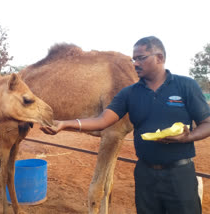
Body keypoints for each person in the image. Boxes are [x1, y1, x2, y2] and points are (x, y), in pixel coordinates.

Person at [40, 36, 210, 214]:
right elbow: (103, 120)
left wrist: (188, 136)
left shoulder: (186, 86)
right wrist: (64, 124)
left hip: (180, 173)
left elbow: (207, 123)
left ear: (159, 58)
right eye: (133, 59)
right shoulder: (129, 93)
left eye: (141, 58)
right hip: (145, 174)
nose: (135, 63)